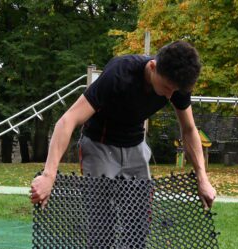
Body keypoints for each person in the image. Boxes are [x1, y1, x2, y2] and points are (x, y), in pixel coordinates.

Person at [29, 40, 216, 208]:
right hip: (100, 145)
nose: (170, 95)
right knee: (102, 220)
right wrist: (49, 175)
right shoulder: (119, 73)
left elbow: (189, 130)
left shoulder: (177, 85)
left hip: (135, 146)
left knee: (139, 218)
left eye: (174, 91)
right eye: (167, 87)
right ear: (152, 67)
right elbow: (68, 120)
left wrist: (202, 178)